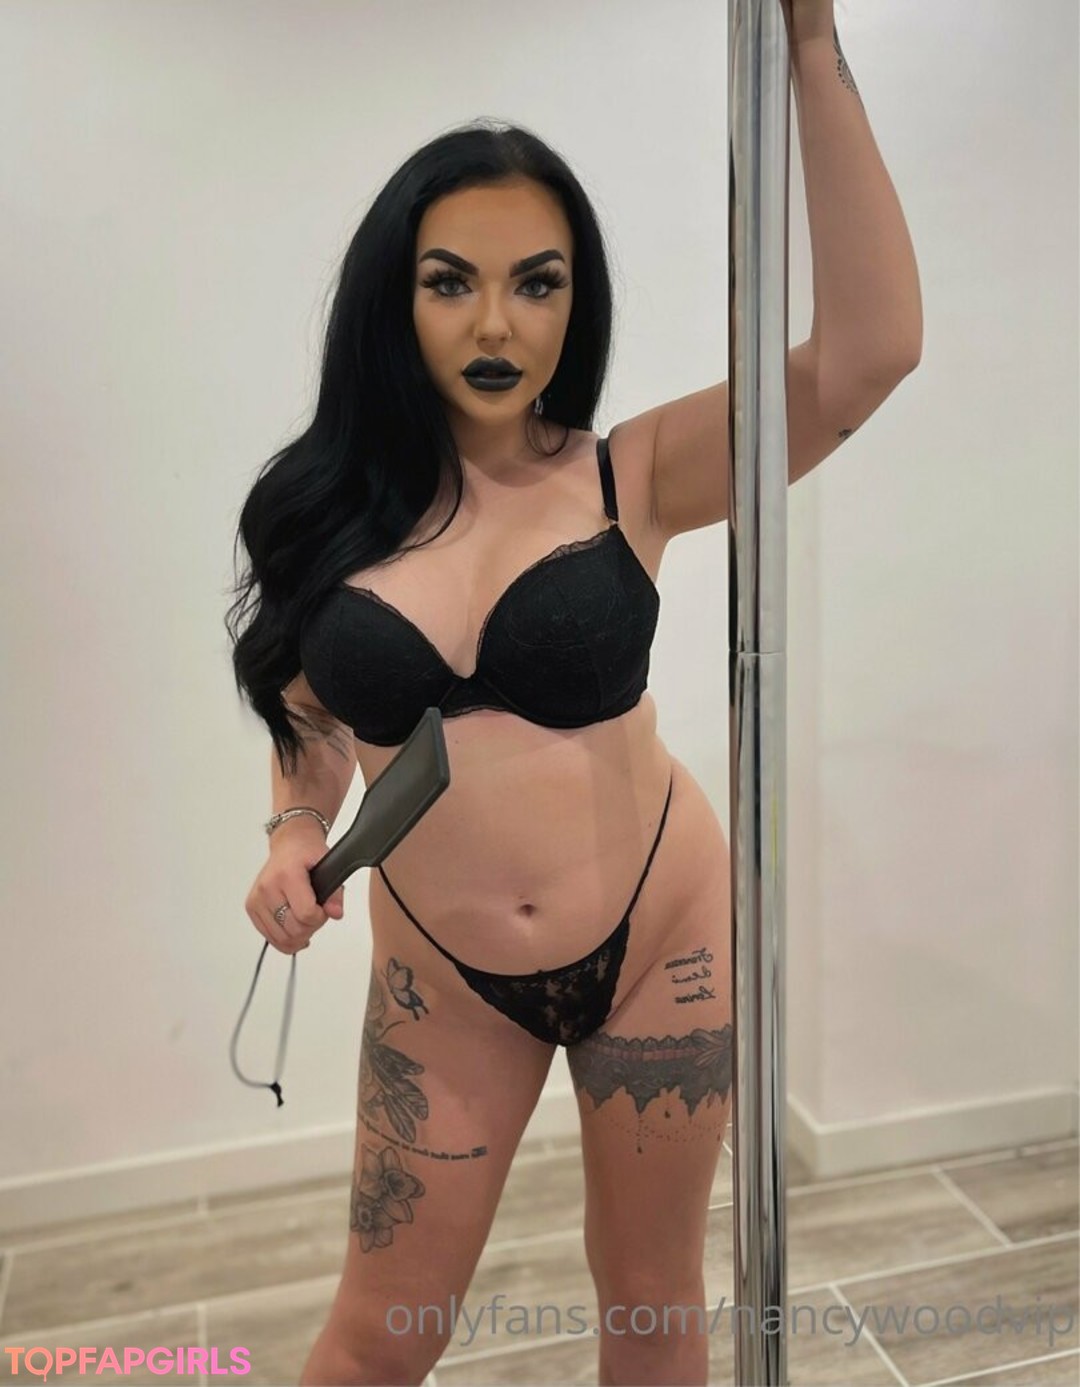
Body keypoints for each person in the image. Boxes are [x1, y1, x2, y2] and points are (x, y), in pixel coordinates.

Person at [228, 120, 735, 1387]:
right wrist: (296, 830)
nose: (496, 324)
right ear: (392, 298)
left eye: (537, 282)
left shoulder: (635, 472)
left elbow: (865, 358)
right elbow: (308, 715)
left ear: (579, 298)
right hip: (443, 977)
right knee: (379, 1334)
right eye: (451, 281)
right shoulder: (321, 512)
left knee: (653, 1303)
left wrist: (819, 58)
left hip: (662, 938)